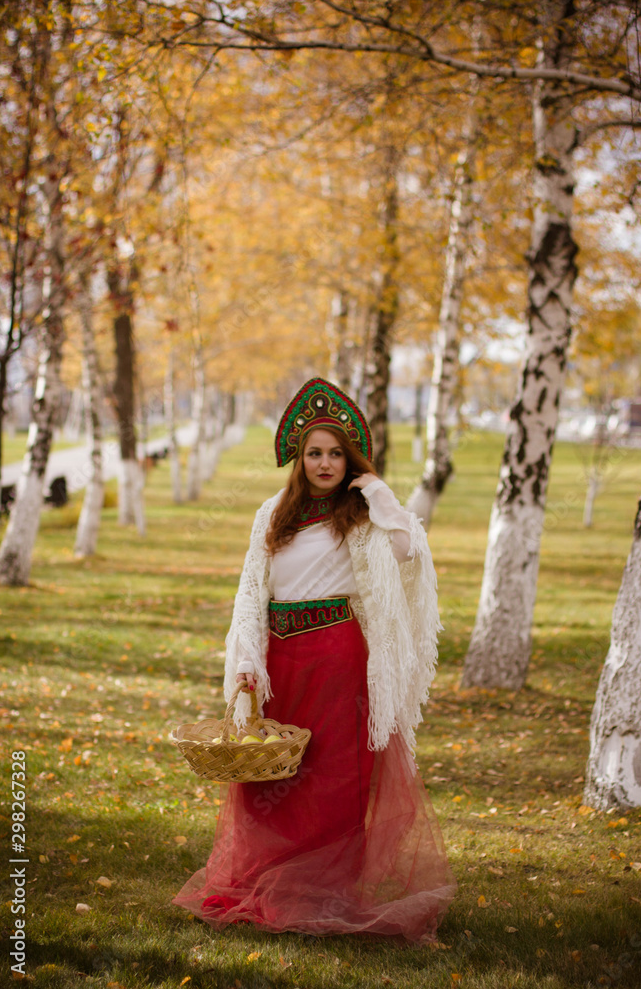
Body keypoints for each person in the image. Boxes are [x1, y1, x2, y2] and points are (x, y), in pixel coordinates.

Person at [173, 377, 456, 942]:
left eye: (334, 453)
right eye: (314, 454)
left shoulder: (362, 513)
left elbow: (408, 552)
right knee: (272, 776)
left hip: (338, 659)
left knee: (333, 776)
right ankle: (264, 878)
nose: (324, 463)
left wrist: (376, 489)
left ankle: (326, 890)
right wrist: (249, 660)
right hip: (283, 660)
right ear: (298, 461)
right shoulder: (271, 514)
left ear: (348, 459)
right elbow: (251, 591)